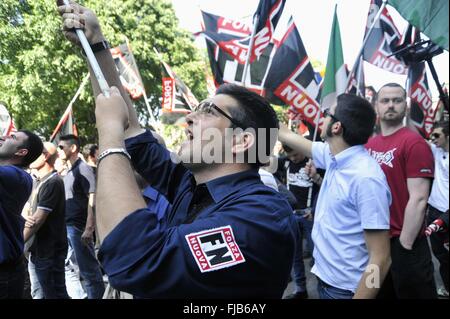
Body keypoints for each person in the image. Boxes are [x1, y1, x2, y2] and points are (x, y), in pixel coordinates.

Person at [57, 1, 297, 298]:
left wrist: (109, 136)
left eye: (208, 111)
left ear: (242, 141)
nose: (189, 118)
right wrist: (96, 46)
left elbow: (134, 260)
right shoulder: (189, 182)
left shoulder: (260, 217)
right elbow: (132, 130)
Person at [279, 94, 391, 299]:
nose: (321, 119)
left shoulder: (366, 178)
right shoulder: (333, 156)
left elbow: (381, 258)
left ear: (337, 127)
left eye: (326, 114)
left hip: (347, 291)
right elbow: (285, 135)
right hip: (325, 281)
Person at [366, 83, 437, 299]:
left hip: (405, 243)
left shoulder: (415, 143)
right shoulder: (369, 144)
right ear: (376, 106)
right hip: (375, 243)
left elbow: (418, 198)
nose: (391, 105)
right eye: (385, 100)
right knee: (377, 293)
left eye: (397, 100)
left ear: (405, 106)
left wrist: (404, 246)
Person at [57, 134, 105, 299]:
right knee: (69, 267)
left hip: (78, 228)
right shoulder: (69, 170)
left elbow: (92, 197)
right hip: (68, 226)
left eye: (61, 146)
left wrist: (88, 228)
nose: (59, 150)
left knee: (89, 271)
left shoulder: (83, 168)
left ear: (73, 148)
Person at [23, 142, 70, 299]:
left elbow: (38, 219)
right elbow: (27, 210)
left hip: (49, 251)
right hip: (36, 250)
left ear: (45, 156)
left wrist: (17, 244)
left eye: (35, 152)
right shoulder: (37, 180)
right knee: (37, 293)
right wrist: (26, 217)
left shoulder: (53, 182)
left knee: (54, 293)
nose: (30, 156)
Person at [0, 130, 43, 298]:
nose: (3, 137)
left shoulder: (17, 176)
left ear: (21, 152)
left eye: (12, 137)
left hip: (4, 275)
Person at [276, 143, 320, 299]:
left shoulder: (314, 162)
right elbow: (266, 168)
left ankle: (322, 287)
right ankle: (300, 289)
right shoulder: (285, 163)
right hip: (292, 215)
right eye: (291, 156)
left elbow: (325, 186)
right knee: (295, 255)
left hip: (310, 216)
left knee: (317, 254)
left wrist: (315, 176)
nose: (294, 158)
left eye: (296, 154)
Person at [426, 120, 449, 297]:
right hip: (433, 211)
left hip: (447, 216)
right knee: (440, 254)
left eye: (436, 135)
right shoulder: (435, 149)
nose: (432, 138)